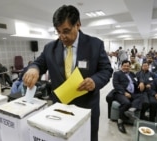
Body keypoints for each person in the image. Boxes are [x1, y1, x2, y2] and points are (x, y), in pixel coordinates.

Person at [22, 5, 113, 141]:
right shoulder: (50, 48)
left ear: (78, 25)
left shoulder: (95, 45)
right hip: (60, 109)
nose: (62, 37)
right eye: (58, 32)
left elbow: (106, 70)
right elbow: (39, 63)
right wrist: (33, 68)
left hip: (86, 108)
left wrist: (94, 81)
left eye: (66, 31)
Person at [112, 60, 143, 133]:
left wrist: (141, 82)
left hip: (132, 93)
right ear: (121, 66)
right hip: (120, 93)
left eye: (128, 66)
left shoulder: (132, 74)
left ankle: (131, 111)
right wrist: (124, 92)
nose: (126, 67)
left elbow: (138, 79)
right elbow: (116, 84)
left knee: (142, 96)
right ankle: (120, 121)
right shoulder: (117, 73)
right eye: (124, 66)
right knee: (126, 103)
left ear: (130, 67)